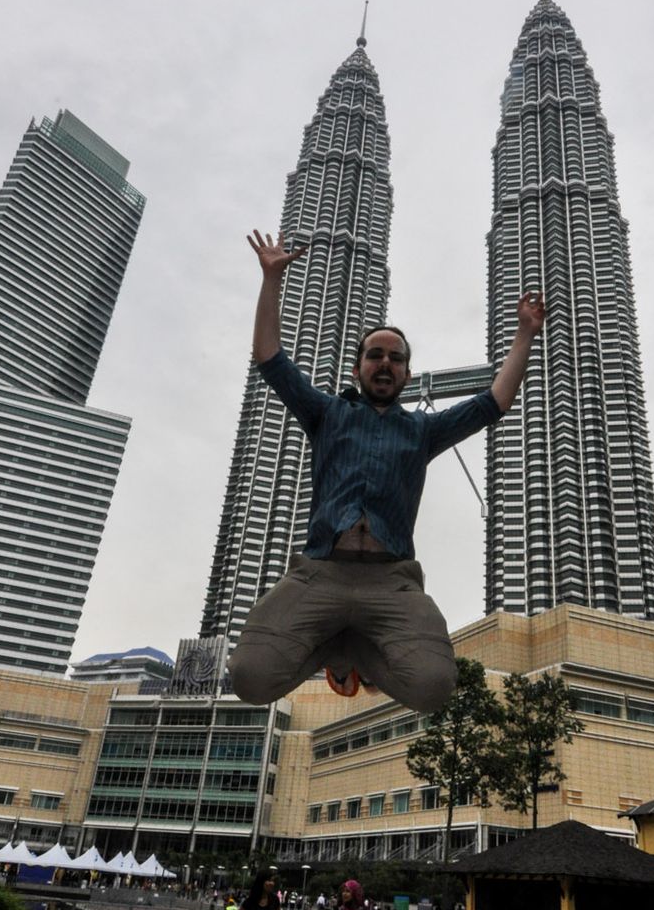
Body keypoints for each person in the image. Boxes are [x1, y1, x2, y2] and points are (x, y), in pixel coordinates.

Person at [228, 229, 546, 711]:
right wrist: (272, 278)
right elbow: (270, 359)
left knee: (435, 687)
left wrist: (524, 334)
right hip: (319, 573)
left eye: (396, 359)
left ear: (406, 375)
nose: (384, 363)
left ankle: (357, 650)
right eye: (374, 355)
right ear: (357, 369)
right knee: (249, 679)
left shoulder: (422, 430)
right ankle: (333, 644)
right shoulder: (327, 413)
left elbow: (493, 403)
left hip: (391, 580)